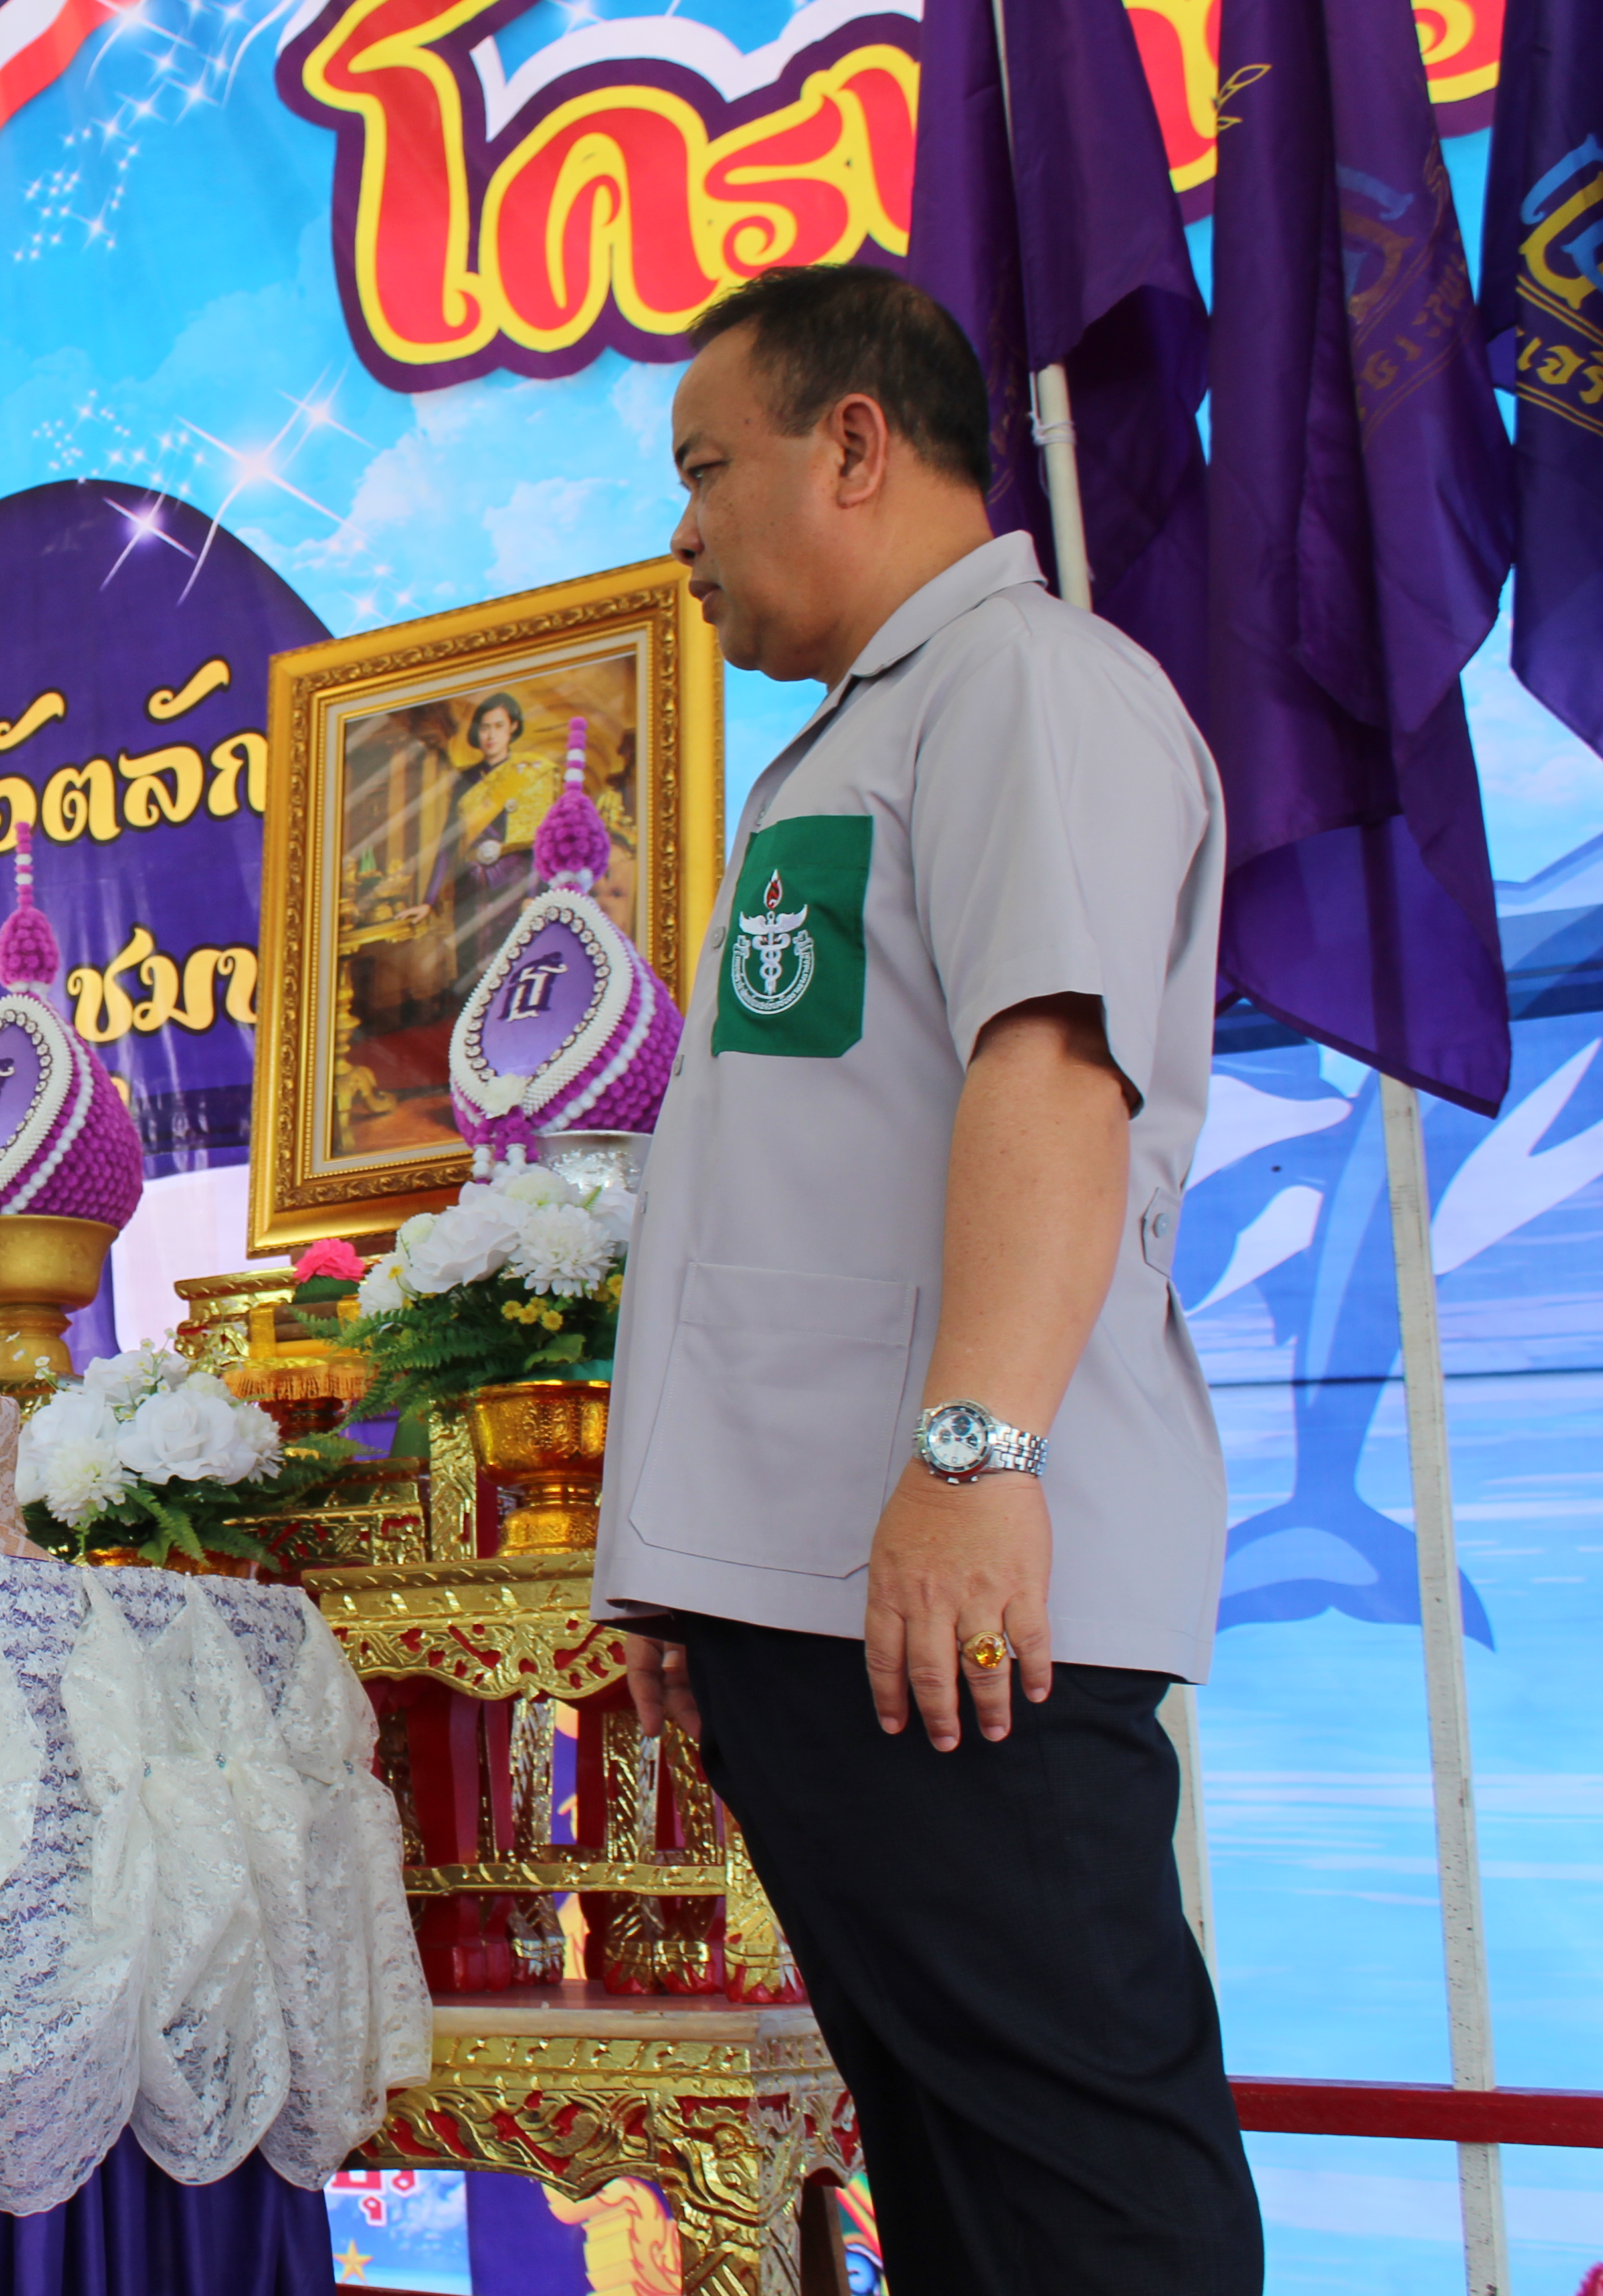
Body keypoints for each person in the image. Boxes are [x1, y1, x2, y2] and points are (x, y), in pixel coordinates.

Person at [595, 262, 1262, 2293]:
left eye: (709, 469)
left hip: (968, 1602)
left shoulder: (1023, 689)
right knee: (968, 2198)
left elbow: (1051, 1071)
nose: (685, 532)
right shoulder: (863, 739)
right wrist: (698, 1560)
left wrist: (976, 1460)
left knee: (1084, 2198)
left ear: (857, 446)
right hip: (845, 1602)